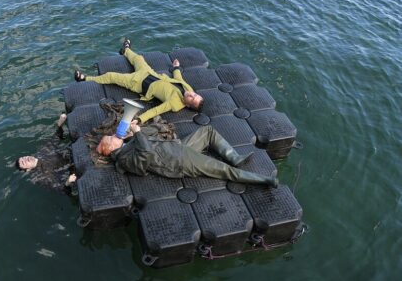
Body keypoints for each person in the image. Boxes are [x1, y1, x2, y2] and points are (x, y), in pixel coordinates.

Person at [96, 120, 279, 188]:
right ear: (110, 149)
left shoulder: (125, 145)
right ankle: (265, 180)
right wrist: (136, 134)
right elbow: (146, 154)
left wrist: (135, 131)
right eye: (111, 138)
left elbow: (151, 137)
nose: (114, 135)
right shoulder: (124, 160)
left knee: (207, 131)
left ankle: (235, 157)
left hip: (177, 147)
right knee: (224, 171)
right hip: (178, 161)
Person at [74, 39, 204, 124]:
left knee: (111, 76)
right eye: (195, 95)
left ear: (187, 105)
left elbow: (156, 111)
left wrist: (139, 119)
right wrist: (176, 67)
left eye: (192, 99)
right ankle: (125, 50)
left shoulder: (175, 104)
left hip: (139, 83)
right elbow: (179, 79)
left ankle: (85, 79)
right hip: (150, 74)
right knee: (139, 59)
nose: (191, 95)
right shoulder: (189, 89)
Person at [16, 114, 77, 191]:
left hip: (72, 152)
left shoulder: (42, 152)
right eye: (24, 163)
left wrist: (60, 124)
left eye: (23, 157)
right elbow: (59, 188)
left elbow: (55, 139)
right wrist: (68, 181)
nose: (25, 159)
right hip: (74, 167)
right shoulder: (42, 176)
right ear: (27, 170)